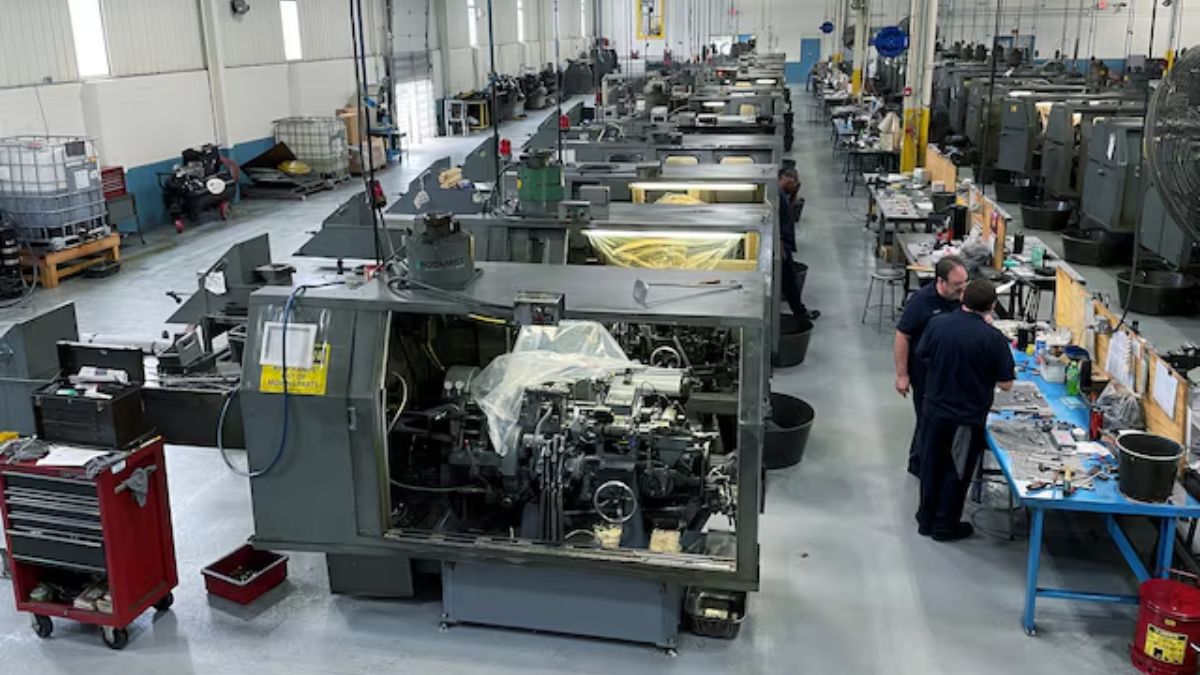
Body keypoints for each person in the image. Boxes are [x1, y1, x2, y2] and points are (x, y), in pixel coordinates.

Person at [913, 279, 1015, 541]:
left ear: (962, 299)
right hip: (965, 418)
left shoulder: (937, 324)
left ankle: (925, 519)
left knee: (931, 464)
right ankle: (945, 527)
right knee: (955, 471)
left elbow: (922, 355)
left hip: (933, 410)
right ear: (992, 306)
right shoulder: (993, 338)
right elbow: (1005, 384)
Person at [894, 255, 967, 475]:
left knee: (942, 422)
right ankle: (922, 468)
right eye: (957, 285)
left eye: (965, 283)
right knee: (927, 421)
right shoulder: (921, 302)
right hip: (925, 373)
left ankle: (930, 462)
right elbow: (902, 336)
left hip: (953, 374)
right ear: (941, 281)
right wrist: (902, 375)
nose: (962, 289)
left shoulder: (963, 298)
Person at [778, 168, 818, 321]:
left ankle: (800, 313)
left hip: (784, 245)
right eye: (795, 182)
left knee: (790, 283)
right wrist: (781, 244)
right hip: (781, 246)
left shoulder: (783, 195)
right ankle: (800, 314)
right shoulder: (778, 196)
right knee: (789, 283)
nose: (796, 185)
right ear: (787, 179)